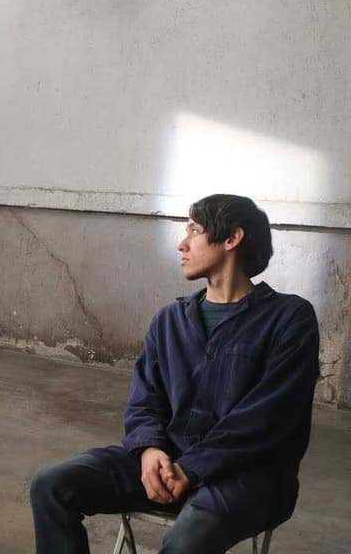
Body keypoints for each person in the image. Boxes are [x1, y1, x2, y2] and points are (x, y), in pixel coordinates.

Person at [29, 194, 320, 553]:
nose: (182, 244)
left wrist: (193, 468)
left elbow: (268, 417)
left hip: (248, 476)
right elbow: (145, 399)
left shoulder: (290, 319)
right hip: (167, 459)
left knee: (187, 539)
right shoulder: (169, 320)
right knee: (51, 484)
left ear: (232, 238)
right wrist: (150, 449)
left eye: (194, 231)